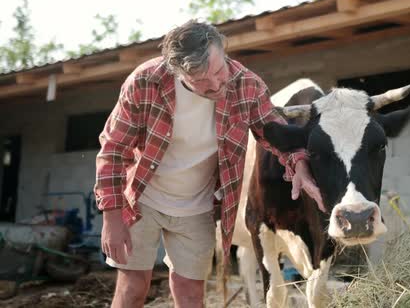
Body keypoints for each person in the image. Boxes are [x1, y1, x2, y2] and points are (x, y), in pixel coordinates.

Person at [94, 19, 325, 308]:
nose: (216, 84)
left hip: (197, 206)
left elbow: (276, 134)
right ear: (176, 71)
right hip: (143, 198)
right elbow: (113, 149)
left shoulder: (247, 85)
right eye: (201, 81)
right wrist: (111, 218)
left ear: (223, 51)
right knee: (133, 288)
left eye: (219, 70)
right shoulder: (145, 81)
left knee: (191, 295)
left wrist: (300, 164)